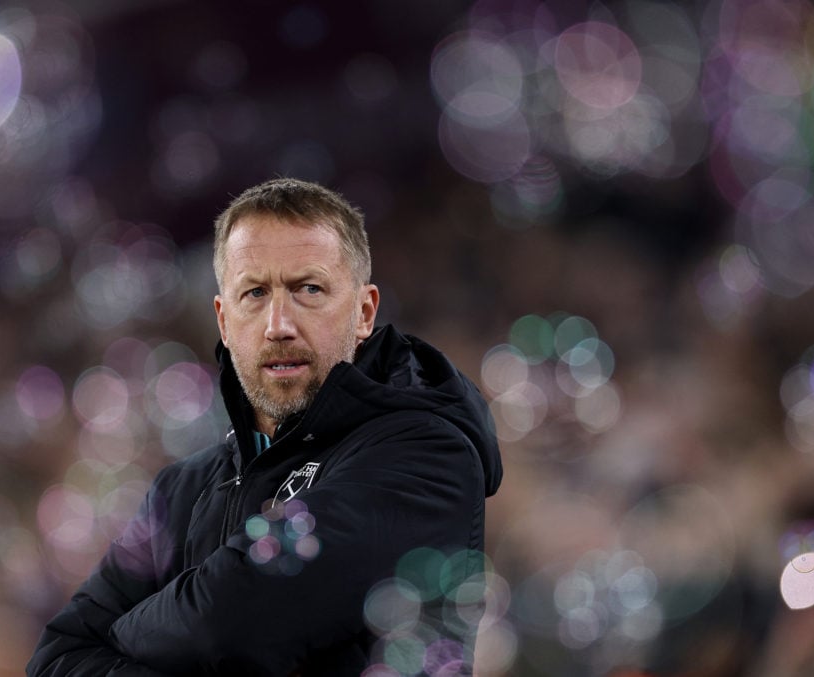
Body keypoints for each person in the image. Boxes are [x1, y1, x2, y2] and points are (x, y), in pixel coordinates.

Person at [26, 178, 503, 675]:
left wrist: (120, 636)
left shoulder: (426, 452)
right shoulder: (183, 486)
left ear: (364, 312)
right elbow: (58, 657)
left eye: (308, 289)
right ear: (224, 321)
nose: (278, 324)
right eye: (254, 293)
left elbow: (231, 619)